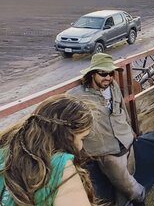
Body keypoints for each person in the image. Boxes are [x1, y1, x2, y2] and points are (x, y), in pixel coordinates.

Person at [69, 53, 145, 206]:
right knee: (130, 187)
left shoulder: (113, 86)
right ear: (92, 74)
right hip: (106, 151)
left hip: (126, 141)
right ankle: (143, 198)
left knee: (124, 185)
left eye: (111, 73)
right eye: (103, 73)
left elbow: (122, 108)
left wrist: (130, 129)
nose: (108, 77)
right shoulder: (77, 96)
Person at [0, 94, 96, 206]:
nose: (80, 146)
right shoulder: (60, 167)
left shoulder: (5, 149)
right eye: (82, 138)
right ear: (67, 135)